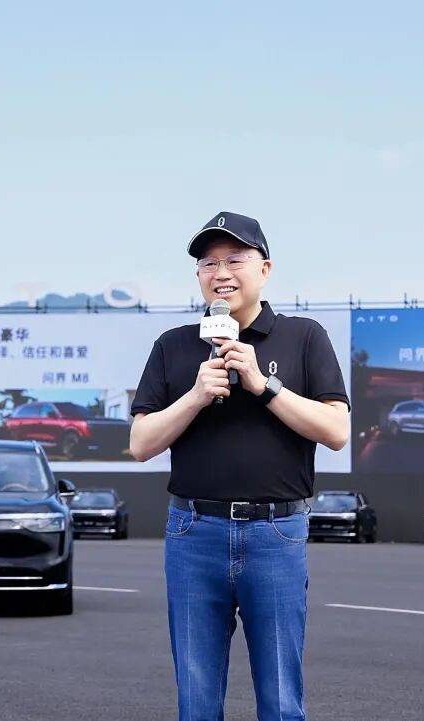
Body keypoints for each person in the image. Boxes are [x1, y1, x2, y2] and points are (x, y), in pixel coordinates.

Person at [129, 211, 350, 721]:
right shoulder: (173, 345)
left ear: (265, 269)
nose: (221, 273)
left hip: (275, 533)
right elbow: (140, 443)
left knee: (280, 697)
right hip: (193, 533)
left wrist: (263, 384)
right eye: (208, 263)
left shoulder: (304, 336)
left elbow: (336, 430)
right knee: (197, 697)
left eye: (235, 260)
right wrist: (194, 397)